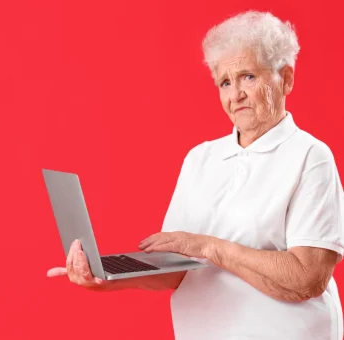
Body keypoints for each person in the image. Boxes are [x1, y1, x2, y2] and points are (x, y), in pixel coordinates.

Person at [47, 10, 344, 340]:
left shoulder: (309, 157)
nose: (235, 95)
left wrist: (210, 248)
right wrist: (102, 278)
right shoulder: (201, 158)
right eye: (225, 82)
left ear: (286, 78)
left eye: (248, 77)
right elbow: (177, 270)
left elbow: (307, 278)